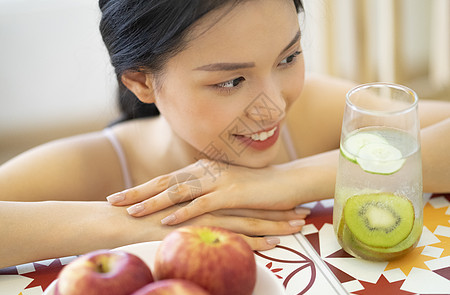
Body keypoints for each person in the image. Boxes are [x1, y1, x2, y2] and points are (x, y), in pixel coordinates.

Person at [0, 0, 449, 269]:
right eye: (231, 82)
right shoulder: (104, 164)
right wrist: (143, 222)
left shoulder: (310, 109)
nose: (273, 103)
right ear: (140, 81)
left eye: (288, 57)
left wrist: (286, 179)